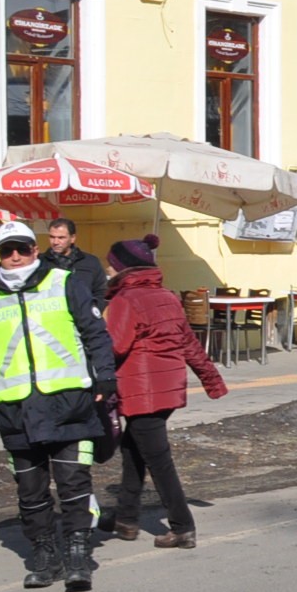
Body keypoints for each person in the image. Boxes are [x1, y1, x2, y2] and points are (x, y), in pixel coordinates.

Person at [0, 220, 117, 591]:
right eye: (6, 250)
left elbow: (95, 333)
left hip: (68, 403)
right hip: (15, 411)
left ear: (34, 249)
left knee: (74, 483)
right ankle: (45, 555)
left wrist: (106, 377)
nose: (15, 256)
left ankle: (78, 553)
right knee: (30, 492)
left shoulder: (63, 283)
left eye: (22, 248)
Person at [98, 234, 227, 550]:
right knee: (132, 451)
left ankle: (182, 526)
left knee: (158, 461)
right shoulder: (167, 297)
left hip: (143, 391)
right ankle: (126, 519)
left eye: (111, 265)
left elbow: (114, 346)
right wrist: (212, 381)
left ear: (123, 268)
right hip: (166, 390)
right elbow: (189, 344)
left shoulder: (125, 301)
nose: (107, 270)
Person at [47, 218, 109, 314]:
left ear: (72, 238)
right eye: (52, 237)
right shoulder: (40, 262)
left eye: (61, 238)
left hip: (85, 321)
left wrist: (92, 312)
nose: (55, 242)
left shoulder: (90, 262)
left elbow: (101, 291)